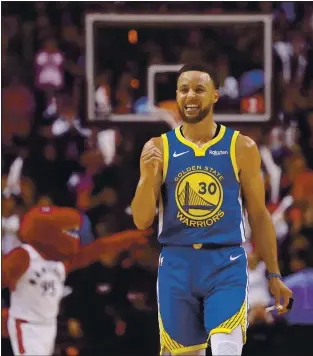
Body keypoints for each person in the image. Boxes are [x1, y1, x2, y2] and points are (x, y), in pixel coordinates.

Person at [131, 63, 293, 356]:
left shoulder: (241, 147)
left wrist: (274, 275)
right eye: (183, 89)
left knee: (227, 350)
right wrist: (146, 176)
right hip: (177, 263)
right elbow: (142, 220)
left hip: (225, 262)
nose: (190, 96)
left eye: (199, 89)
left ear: (215, 95)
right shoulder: (158, 147)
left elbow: (258, 214)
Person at [2, 205, 150, 356]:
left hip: (49, 326)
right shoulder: (24, 257)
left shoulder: (60, 262)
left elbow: (97, 249)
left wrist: (130, 238)